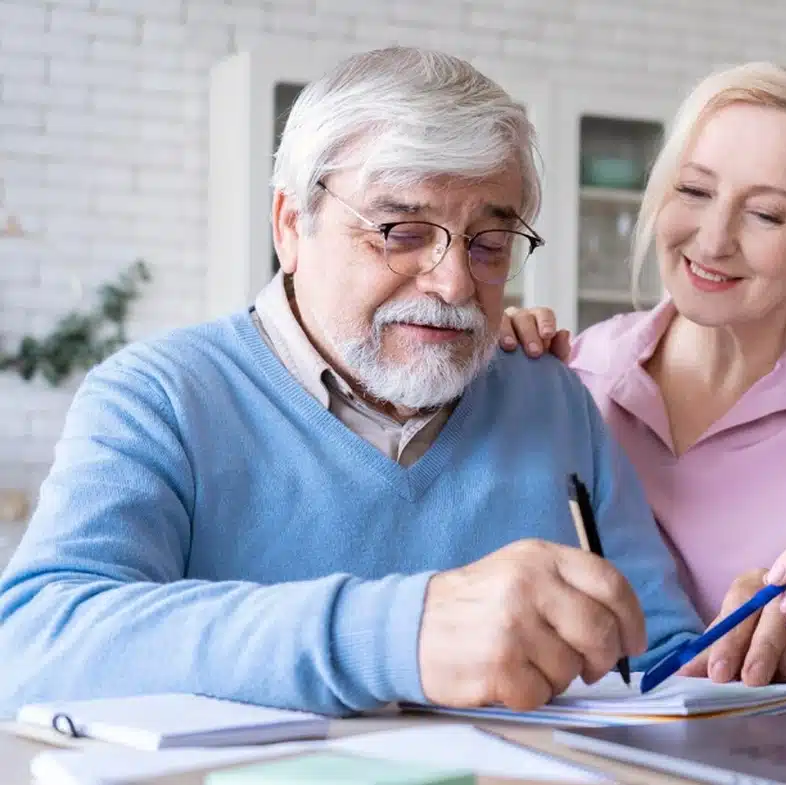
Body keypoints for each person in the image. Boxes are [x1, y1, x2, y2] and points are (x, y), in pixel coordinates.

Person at [0, 47, 703, 718]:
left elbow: (661, 657)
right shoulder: (161, 396)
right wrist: (398, 633)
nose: (455, 283)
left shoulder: (551, 399)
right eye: (400, 231)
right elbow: (34, 648)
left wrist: (743, 652)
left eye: (489, 245)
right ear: (290, 226)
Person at [500, 62, 786, 702]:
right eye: (694, 191)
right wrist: (481, 373)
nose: (712, 241)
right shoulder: (579, 374)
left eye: (765, 214)